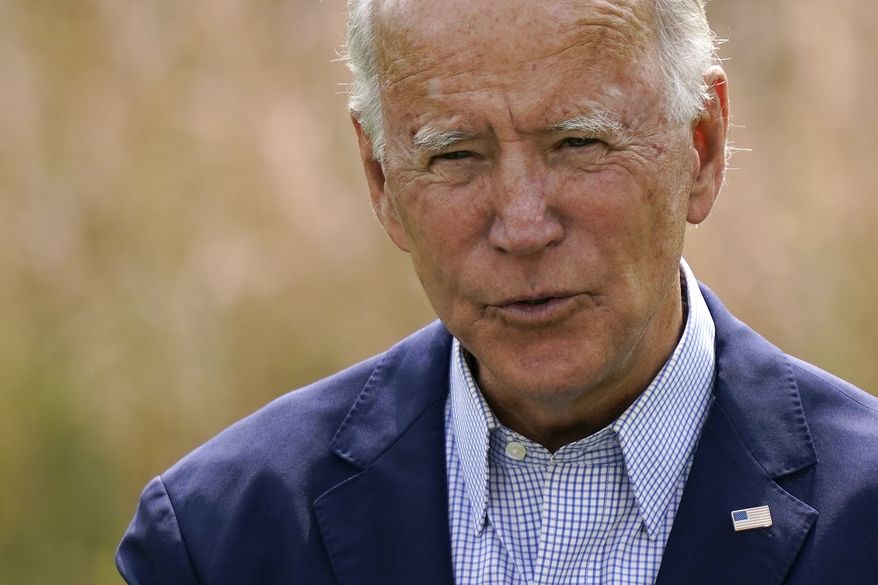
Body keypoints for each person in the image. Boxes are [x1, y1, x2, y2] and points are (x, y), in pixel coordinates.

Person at [116, 0, 878, 583]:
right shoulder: (222, 542)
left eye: (579, 142)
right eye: (455, 154)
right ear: (381, 180)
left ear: (701, 148)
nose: (521, 225)